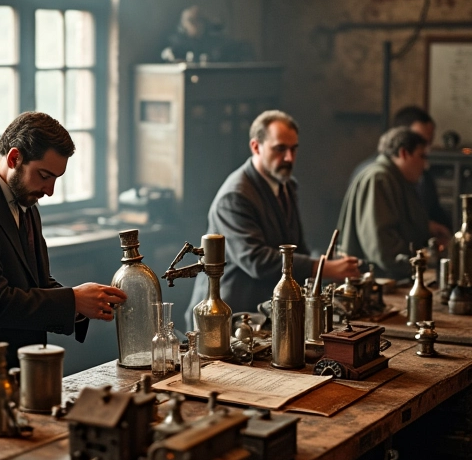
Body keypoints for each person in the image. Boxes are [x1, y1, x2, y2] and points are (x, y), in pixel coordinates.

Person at [0, 111, 126, 417]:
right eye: (44, 175)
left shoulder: (26, 200)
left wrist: (84, 304)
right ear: (14, 157)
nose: (50, 190)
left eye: (56, 178)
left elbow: (35, 283)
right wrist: (72, 300)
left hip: (15, 371)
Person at [187, 110, 359, 319]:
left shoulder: (287, 186)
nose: (289, 158)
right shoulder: (234, 197)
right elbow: (257, 261)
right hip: (228, 316)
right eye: (280, 149)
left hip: (268, 310)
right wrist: (323, 267)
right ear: (256, 147)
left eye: (293, 149)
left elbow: (297, 246)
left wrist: (327, 265)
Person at [338, 126, 431, 279]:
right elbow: (382, 247)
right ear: (403, 153)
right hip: (376, 281)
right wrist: (416, 267)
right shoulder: (378, 179)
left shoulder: (400, 180)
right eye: (422, 156)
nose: (425, 165)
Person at [350, 106, 452, 237]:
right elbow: (378, 235)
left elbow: (435, 212)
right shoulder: (376, 177)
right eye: (420, 140)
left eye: (429, 142)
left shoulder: (423, 176)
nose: (426, 149)